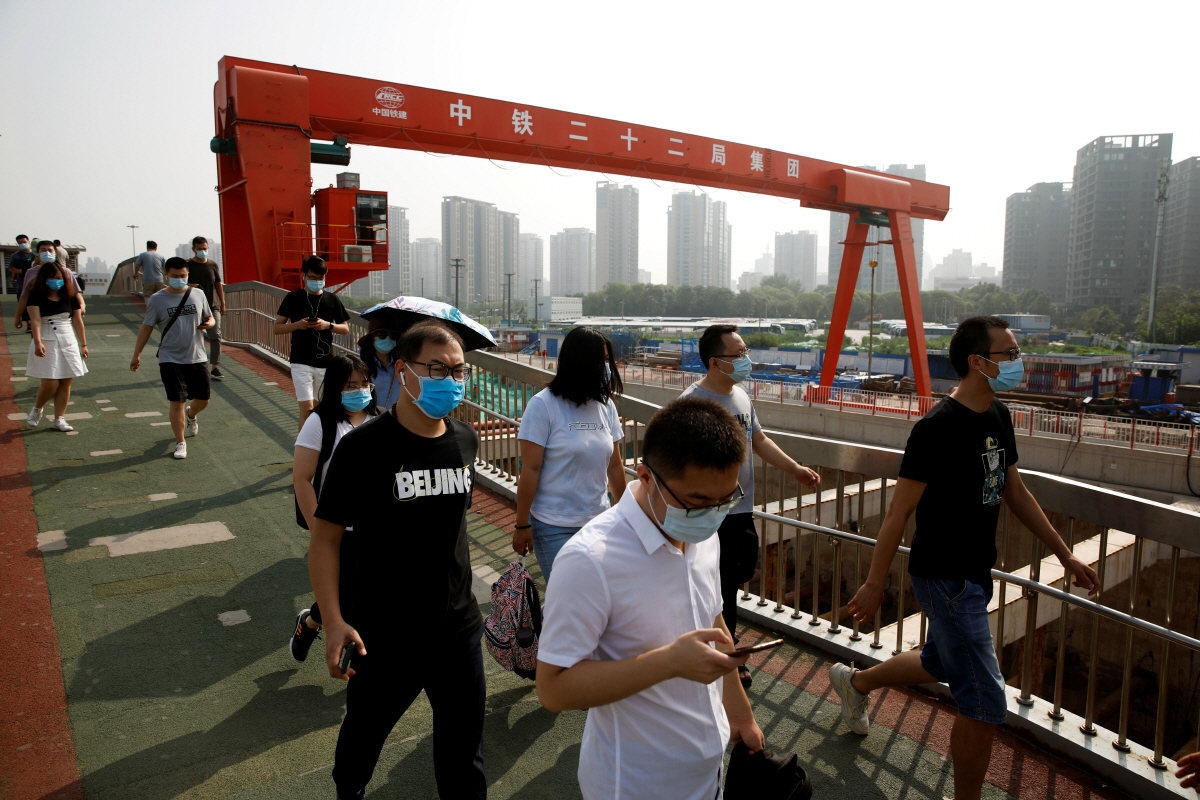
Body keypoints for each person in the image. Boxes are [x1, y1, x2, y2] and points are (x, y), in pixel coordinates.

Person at [832, 316, 1101, 800]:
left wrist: (1065, 555)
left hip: (975, 572)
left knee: (940, 661)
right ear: (978, 362)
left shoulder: (997, 416)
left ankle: (856, 682)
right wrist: (874, 582)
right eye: (1010, 355)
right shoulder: (936, 429)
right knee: (983, 702)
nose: (1019, 363)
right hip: (944, 576)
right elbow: (898, 512)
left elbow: (1014, 492)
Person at [536, 396, 765, 800]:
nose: (713, 514)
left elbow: (714, 624)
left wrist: (741, 715)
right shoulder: (589, 560)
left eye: (725, 499)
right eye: (697, 502)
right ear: (645, 476)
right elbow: (553, 689)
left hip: (710, 772)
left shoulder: (704, 536)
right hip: (635, 783)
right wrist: (668, 663)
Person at [309, 320, 484, 799]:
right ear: (404, 371)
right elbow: (324, 541)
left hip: (458, 628)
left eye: (459, 370)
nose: (451, 381)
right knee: (362, 742)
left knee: (464, 757)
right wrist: (333, 619)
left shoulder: (466, 441)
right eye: (438, 369)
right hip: (383, 633)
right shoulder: (362, 449)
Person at [681, 324, 821, 687]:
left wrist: (795, 469)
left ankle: (724, 647)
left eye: (745, 352)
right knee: (714, 583)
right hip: (705, 515)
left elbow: (757, 438)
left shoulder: (741, 396)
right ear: (715, 362)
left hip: (740, 511)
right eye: (739, 354)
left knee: (732, 579)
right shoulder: (692, 405)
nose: (747, 360)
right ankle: (725, 653)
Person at [512, 326, 627, 583]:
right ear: (581, 362)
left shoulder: (605, 406)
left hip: (599, 522)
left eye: (609, 360)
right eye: (603, 361)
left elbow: (615, 465)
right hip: (554, 526)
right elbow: (530, 469)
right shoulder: (543, 405)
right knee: (570, 594)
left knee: (599, 596)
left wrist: (623, 513)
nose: (608, 367)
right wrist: (522, 524)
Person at [289, 353, 380, 663]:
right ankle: (313, 624)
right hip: (336, 527)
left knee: (360, 592)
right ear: (335, 388)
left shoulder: (379, 422)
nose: (359, 390)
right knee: (346, 593)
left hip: (373, 525)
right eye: (350, 385)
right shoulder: (321, 422)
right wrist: (320, 530)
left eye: (364, 383)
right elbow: (301, 478)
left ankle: (314, 622)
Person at [130, 257, 215, 459]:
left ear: (188, 274)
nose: (179, 279)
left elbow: (209, 317)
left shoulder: (198, 294)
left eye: (183, 276)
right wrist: (137, 354)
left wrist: (209, 324)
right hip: (170, 358)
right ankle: (180, 442)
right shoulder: (157, 299)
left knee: (203, 400)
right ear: (166, 275)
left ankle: (191, 414)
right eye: (175, 276)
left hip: (197, 356)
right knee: (176, 400)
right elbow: (146, 327)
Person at [274, 255, 350, 431]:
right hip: (300, 360)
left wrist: (327, 325)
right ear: (304, 276)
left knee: (321, 408)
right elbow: (277, 327)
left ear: (326, 277)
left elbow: (345, 328)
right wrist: (298, 325)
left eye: (321, 278)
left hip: (325, 362)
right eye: (312, 278)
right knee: (307, 410)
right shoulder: (293, 297)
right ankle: (305, 448)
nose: (317, 281)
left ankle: (320, 445)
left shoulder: (332, 299)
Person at [23, 244, 88, 431]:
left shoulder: (70, 296)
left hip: (68, 338)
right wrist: (37, 342)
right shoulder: (35, 296)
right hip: (46, 337)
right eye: (52, 278)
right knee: (50, 382)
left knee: (66, 381)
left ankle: (59, 418)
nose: (56, 281)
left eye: (59, 278)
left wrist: (83, 344)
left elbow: (77, 321)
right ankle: (38, 408)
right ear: (43, 280)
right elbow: (35, 320)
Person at [187, 236, 226, 381]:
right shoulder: (188, 265)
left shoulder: (213, 265)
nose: (203, 251)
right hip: (192, 307)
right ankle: (192, 365)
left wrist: (222, 303)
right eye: (199, 249)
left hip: (211, 306)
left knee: (215, 335)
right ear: (193, 249)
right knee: (192, 337)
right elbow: (180, 283)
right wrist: (194, 286)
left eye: (205, 248)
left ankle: (215, 367)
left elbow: (218, 284)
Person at [357, 316, 404, 410]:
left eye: (392, 336)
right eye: (382, 335)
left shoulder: (401, 366)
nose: (387, 339)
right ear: (372, 339)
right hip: (371, 418)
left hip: (395, 417)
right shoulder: (360, 366)